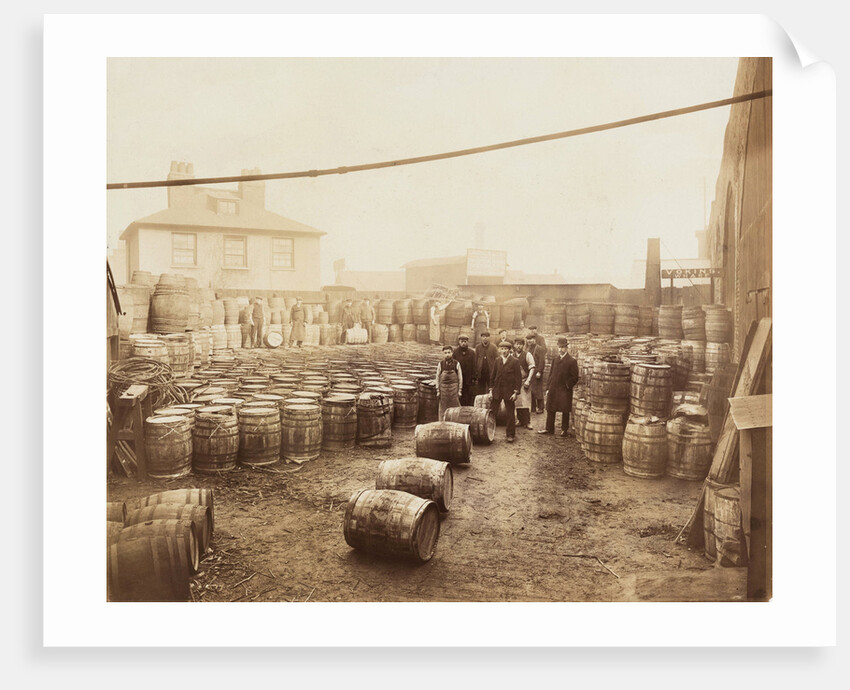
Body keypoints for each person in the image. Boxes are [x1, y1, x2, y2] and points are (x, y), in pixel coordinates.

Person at [538, 336, 579, 437]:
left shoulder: (571, 361)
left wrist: (567, 385)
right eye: (559, 347)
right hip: (553, 388)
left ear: (566, 348)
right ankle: (549, 429)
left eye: (563, 347)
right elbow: (551, 374)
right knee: (550, 408)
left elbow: (575, 377)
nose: (560, 349)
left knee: (565, 410)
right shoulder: (555, 360)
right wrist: (548, 387)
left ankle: (564, 430)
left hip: (565, 390)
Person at [490, 340, 521, 443]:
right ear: (499, 350)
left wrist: (515, 392)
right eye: (502, 349)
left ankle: (510, 435)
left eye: (506, 349)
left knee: (510, 413)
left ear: (510, 350)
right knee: (492, 413)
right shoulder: (497, 360)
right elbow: (492, 376)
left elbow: (518, 378)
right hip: (497, 390)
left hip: (509, 391)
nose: (504, 351)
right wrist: (491, 391)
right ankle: (488, 432)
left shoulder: (515, 361)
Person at [512, 337, 537, 430]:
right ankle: (520, 420)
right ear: (514, 345)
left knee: (525, 403)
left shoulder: (527, 355)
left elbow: (532, 368)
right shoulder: (512, 355)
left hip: (524, 381)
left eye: (520, 344)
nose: (518, 346)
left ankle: (527, 421)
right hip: (515, 382)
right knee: (517, 402)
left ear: (523, 345)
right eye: (517, 344)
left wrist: (528, 380)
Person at [436, 344, 462, 420]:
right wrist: (437, 390)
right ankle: (442, 423)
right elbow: (437, 377)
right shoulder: (440, 364)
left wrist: (460, 390)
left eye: (449, 352)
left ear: (452, 353)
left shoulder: (457, 364)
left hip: (454, 389)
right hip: (443, 390)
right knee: (442, 408)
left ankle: (455, 422)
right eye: (445, 353)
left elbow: (460, 378)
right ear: (443, 354)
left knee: (455, 408)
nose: (447, 354)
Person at [452, 334, 476, 406]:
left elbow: (474, 365)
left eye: (465, 341)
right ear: (459, 342)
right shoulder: (455, 352)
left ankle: (467, 408)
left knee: (468, 394)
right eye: (462, 341)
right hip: (458, 377)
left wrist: (474, 377)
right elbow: (453, 365)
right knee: (459, 394)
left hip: (468, 378)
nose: (463, 343)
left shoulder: (472, 352)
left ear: (467, 342)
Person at [526, 332, 547, 414]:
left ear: (534, 339)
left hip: (537, 372)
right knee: (531, 390)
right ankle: (533, 407)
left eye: (530, 339)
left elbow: (542, 361)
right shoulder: (528, 349)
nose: (529, 341)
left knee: (538, 390)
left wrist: (539, 371)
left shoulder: (539, 349)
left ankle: (541, 407)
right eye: (528, 340)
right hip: (530, 372)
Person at [474, 331, 498, 399]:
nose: (485, 338)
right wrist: (476, 371)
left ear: (489, 338)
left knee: (491, 388)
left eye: (487, 336)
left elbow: (497, 359)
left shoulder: (493, 347)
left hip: (491, 372)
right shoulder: (478, 347)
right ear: (481, 338)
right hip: (481, 372)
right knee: (480, 389)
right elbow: (475, 360)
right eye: (483, 336)